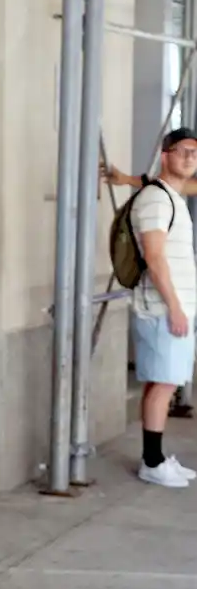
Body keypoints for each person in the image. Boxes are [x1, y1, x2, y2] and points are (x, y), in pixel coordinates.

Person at [104, 129, 197, 483]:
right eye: (182, 151)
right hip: (162, 309)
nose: (189, 158)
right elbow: (155, 258)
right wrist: (174, 306)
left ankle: (154, 457)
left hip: (171, 308)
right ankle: (153, 464)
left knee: (161, 382)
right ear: (165, 155)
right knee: (164, 385)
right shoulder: (157, 200)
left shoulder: (171, 196)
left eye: (194, 153)